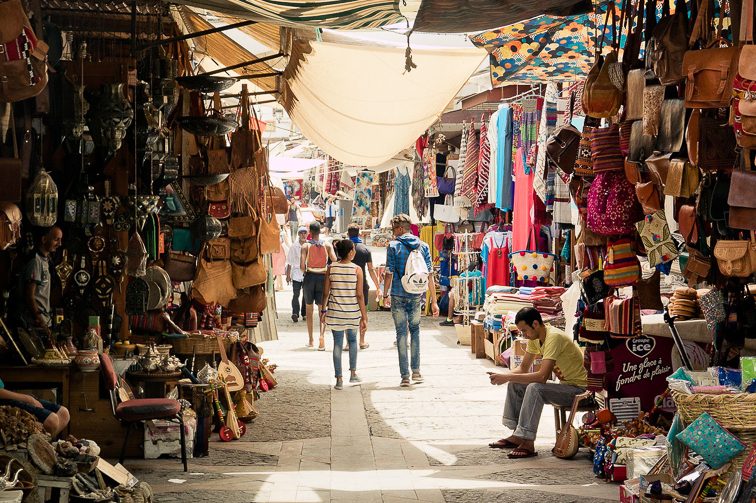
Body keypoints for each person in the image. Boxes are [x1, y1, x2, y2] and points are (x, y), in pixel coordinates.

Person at [487, 307, 587, 459]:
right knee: (515, 384)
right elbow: (522, 368)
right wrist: (503, 375)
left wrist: (506, 377)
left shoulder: (554, 337)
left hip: (580, 391)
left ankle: (527, 441)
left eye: (524, 330)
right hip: (566, 387)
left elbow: (542, 377)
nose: (523, 335)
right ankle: (517, 435)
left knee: (535, 388)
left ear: (535, 324)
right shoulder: (535, 338)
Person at [383, 214, 439, 387]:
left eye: (393, 230)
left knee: (401, 333)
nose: (393, 234)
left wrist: (385, 294)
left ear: (400, 229)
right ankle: (416, 371)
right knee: (415, 331)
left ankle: (405, 376)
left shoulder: (393, 246)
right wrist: (434, 301)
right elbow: (430, 275)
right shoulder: (423, 246)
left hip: (398, 294)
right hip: (416, 295)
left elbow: (389, 273)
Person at [321, 240, 367, 390]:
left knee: (337, 344)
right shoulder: (357, 270)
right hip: (352, 312)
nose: (354, 252)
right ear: (350, 252)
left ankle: (339, 379)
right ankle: (353, 374)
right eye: (353, 249)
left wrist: (323, 310)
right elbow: (360, 295)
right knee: (353, 341)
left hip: (335, 312)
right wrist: (364, 316)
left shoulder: (331, 268)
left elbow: (326, 292)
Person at [18, 226, 63, 338]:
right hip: (34, 325)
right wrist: (41, 320)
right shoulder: (35, 261)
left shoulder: (46, 261)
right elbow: (30, 296)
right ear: (44, 240)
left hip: (44, 322)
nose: (59, 244)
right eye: (56, 239)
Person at [300, 221, 337, 349]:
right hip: (323, 278)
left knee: (309, 310)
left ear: (310, 232)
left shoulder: (305, 246)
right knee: (323, 309)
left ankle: (311, 340)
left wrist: (308, 270)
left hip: (309, 278)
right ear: (320, 231)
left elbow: (301, 267)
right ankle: (322, 336)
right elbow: (334, 260)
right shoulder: (327, 245)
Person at [347, 223, 381, 350]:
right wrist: (378, 286)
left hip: (347, 285)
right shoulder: (365, 249)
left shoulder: (344, 247)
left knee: (348, 313)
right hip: (362, 285)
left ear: (348, 233)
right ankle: (361, 341)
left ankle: (348, 342)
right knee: (362, 312)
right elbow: (371, 269)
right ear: (359, 233)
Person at [0, 377, 70, 436]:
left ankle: (42, 445)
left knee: (63, 413)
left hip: (6, 394)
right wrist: (27, 398)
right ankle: (38, 446)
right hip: (4, 400)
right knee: (51, 420)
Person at [286, 226, 309, 323]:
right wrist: (288, 275)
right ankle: (295, 313)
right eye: (301, 233)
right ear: (299, 234)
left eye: (305, 233)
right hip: (296, 273)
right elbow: (289, 262)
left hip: (307, 273)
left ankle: (304, 313)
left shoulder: (309, 246)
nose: (303, 235)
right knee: (296, 294)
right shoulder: (293, 246)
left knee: (306, 295)